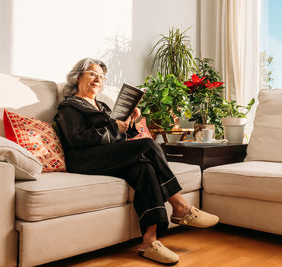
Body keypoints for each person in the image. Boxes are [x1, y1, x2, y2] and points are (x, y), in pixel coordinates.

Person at [54, 58, 219, 265]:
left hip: (108, 156)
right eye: (92, 74)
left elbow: (119, 136)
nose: (98, 79)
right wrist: (116, 128)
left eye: (102, 76)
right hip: (84, 159)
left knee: (144, 167)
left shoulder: (103, 106)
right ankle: (180, 206)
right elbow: (76, 138)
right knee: (148, 145)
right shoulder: (69, 107)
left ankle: (149, 241)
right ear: (78, 77)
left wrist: (130, 122)